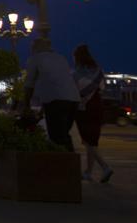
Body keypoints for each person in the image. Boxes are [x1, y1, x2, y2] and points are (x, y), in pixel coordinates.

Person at [21, 38, 80, 151]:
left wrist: (26, 104)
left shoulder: (35, 59)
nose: (31, 49)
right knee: (64, 134)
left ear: (36, 47)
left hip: (56, 100)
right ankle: (71, 163)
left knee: (57, 137)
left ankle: (63, 164)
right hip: (73, 99)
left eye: (32, 46)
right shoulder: (61, 58)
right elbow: (57, 82)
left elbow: (29, 84)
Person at [73, 44, 113, 183]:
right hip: (97, 105)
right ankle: (88, 172)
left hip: (84, 109)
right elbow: (102, 88)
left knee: (87, 141)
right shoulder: (98, 71)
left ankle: (105, 167)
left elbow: (75, 91)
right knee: (92, 141)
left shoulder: (77, 74)